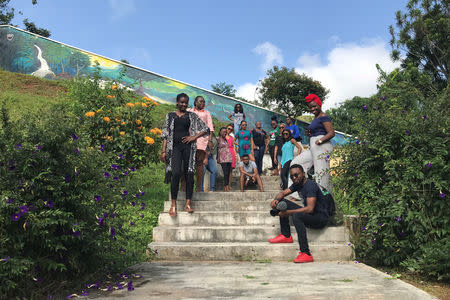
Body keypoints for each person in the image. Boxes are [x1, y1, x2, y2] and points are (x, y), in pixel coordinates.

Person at [161, 93, 209, 217]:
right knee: (176, 173)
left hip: (188, 148)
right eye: (181, 102)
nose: (183, 104)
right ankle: (173, 205)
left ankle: (188, 204)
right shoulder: (170, 116)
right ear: (177, 102)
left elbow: (206, 129)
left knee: (189, 174)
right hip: (174, 148)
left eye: (186, 102)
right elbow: (165, 134)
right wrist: (163, 151)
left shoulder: (192, 116)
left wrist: (194, 137)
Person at [268, 164, 329, 263]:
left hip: (320, 218)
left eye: (296, 175)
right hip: (311, 215)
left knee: (296, 215)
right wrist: (275, 200)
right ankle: (286, 235)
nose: (294, 178)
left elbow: (309, 209)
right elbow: (283, 193)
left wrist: (287, 213)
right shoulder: (297, 184)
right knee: (282, 202)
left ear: (303, 174)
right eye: (292, 176)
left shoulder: (310, 186)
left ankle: (306, 253)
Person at [303, 93, 335, 193]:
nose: (312, 109)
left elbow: (331, 133)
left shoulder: (323, 116)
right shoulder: (315, 119)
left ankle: (324, 197)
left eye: (314, 106)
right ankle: (299, 193)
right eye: (310, 107)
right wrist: (309, 134)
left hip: (321, 145)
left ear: (319, 105)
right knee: (297, 164)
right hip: (313, 146)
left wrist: (320, 140)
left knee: (321, 172)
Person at [188, 96, 214, 192]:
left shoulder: (207, 113)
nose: (203, 103)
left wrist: (210, 141)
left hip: (202, 140)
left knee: (199, 163)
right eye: (201, 101)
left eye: (204, 102)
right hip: (189, 139)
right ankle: (184, 185)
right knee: (187, 163)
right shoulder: (189, 111)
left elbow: (210, 128)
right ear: (195, 102)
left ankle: (198, 186)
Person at [217, 127, 233, 191]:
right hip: (222, 158)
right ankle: (225, 186)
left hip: (228, 158)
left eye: (225, 132)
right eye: (223, 132)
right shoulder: (217, 139)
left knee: (228, 172)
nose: (225, 133)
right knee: (225, 172)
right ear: (220, 132)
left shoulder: (226, 139)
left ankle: (227, 186)